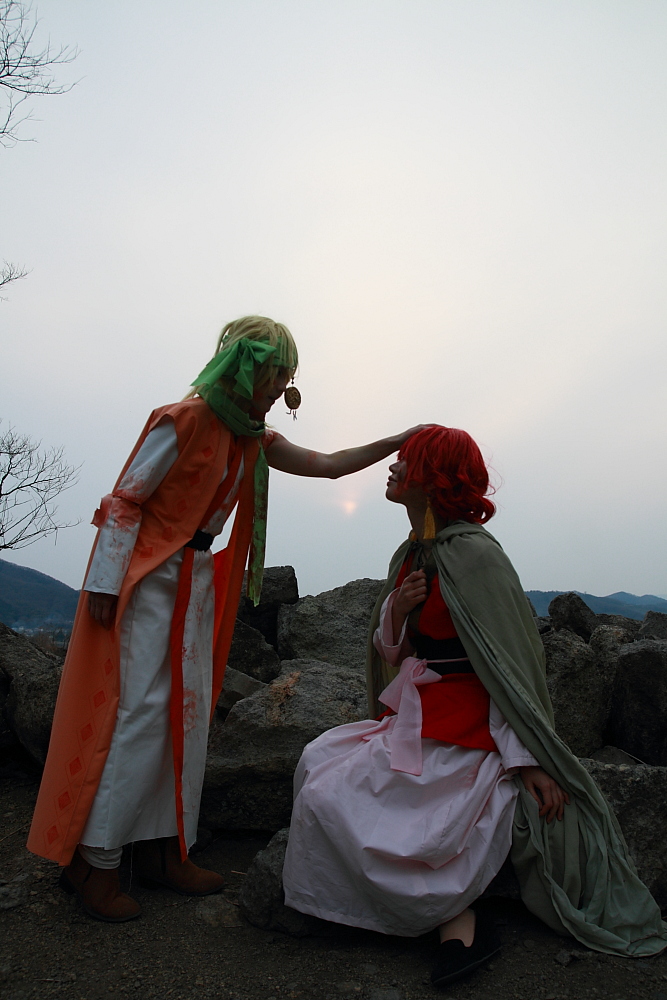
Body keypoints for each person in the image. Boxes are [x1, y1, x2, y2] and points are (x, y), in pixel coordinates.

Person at [27, 315, 421, 923]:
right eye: (276, 374)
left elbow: (328, 464)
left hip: (196, 580)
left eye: (286, 376)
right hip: (148, 580)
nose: (282, 387)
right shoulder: (182, 419)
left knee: (187, 715)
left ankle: (164, 850)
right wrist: (104, 580)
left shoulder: (252, 438)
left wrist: (400, 439)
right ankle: (95, 863)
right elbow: (126, 498)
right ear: (245, 367)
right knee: (137, 714)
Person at [283, 424, 667, 987]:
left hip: (471, 727)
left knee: (428, 823)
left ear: (434, 478)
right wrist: (398, 608)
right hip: (417, 716)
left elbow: (510, 670)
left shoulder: (476, 555)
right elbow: (395, 654)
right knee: (320, 765)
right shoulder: (414, 553)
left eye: (407, 460)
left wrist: (528, 760)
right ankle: (397, 912)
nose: (393, 467)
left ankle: (452, 921)